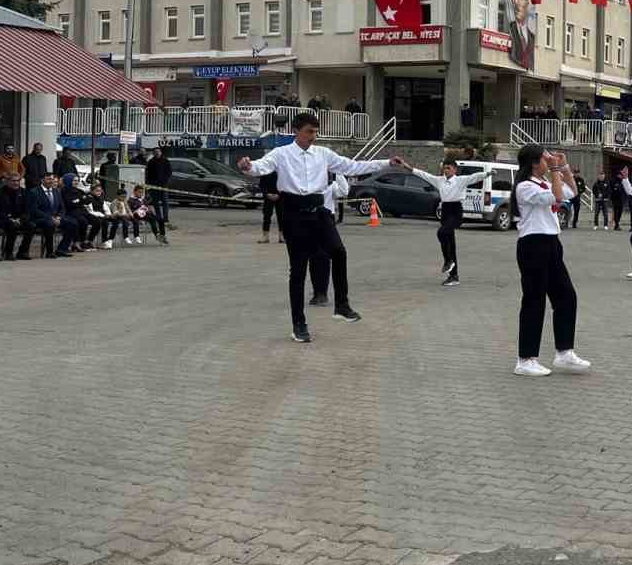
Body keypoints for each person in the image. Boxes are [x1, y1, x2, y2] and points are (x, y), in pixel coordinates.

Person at [238, 111, 402, 343]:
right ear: (296, 131)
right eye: (309, 132)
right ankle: (299, 325)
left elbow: (352, 166)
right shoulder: (281, 154)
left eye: (315, 132)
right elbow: (260, 167)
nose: (313, 136)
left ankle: (342, 306)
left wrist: (386, 162)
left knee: (339, 252)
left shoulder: (323, 154)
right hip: (293, 213)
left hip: (319, 211)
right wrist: (247, 166)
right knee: (298, 269)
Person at [510, 144, 587, 377]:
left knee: (566, 296)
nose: (549, 160)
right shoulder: (524, 187)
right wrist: (555, 170)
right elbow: (555, 196)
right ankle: (525, 359)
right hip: (533, 245)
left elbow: (572, 192)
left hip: (552, 244)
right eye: (545, 158)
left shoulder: (543, 182)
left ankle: (564, 352)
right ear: (534, 163)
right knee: (534, 301)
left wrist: (563, 167)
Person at [394, 156, 489, 286]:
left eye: (448, 168)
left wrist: (488, 173)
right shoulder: (439, 181)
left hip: (456, 211)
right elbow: (422, 174)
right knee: (450, 243)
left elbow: (475, 177)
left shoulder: (460, 180)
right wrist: (405, 165)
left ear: (455, 170)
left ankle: (448, 261)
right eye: (444, 168)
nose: (446, 170)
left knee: (441, 233)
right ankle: (454, 276)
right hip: (445, 210)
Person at [308, 173, 349, 306]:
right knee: (314, 257)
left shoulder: (331, 184)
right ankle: (318, 292)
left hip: (327, 218)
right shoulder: (310, 181)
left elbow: (344, 191)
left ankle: (322, 293)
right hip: (311, 218)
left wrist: (338, 173)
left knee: (325, 256)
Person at [25, 174, 75, 258]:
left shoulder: (56, 191)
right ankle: (49, 252)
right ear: (42, 180)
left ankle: (61, 249)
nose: (51, 181)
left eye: (52, 179)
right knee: (50, 224)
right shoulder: (34, 192)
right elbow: (34, 210)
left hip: (56, 218)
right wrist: (50, 218)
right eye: (48, 179)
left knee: (73, 224)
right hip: (40, 219)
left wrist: (59, 217)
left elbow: (62, 208)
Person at [0, 174, 28, 259]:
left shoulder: (24, 192)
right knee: (12, 226)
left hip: (18, 219)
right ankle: (8, 252)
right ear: (6, 181)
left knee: (31, 226)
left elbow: (27, 210)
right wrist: (9, 219)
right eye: (13, 181)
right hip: (2, 219)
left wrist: (20, 219)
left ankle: (22, 252)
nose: (16, 183)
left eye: (18, 181)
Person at [61, 174, 95, 251]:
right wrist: (81, 200)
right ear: (69, 181)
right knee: (83, 221)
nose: (76, 182)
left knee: (96, 221)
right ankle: (77, 242)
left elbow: (88, 200)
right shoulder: (64, 191)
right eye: (74, 180)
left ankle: (88, 241)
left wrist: (79, 200)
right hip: (71, 212)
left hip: (82, 211)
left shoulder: (79, 190)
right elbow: (70, 203)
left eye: (77, 180)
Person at [144, 149, 173, 227]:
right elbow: (148, 174)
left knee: (165, 202)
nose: (157, 153)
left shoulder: (165, 161)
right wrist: (149, 184)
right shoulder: (151, 162)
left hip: (163, 185)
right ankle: (159, 218)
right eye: (155, 152)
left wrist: (165, 181)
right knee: (155, 203)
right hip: (154, 185)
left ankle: (165, 218)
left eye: (158, 152)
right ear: (153, 153)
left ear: (161, 152)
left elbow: (169, 172)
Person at [84, 182, 113, 249]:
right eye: (97, 191)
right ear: (92, 191)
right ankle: (90, 240)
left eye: (100, 191)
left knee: (111, 221)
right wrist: (103, 215)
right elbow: (90, 211)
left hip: (102, 216)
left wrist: (109, 215)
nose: (99, 192)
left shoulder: (101, 199)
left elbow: (105, 208)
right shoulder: (89, 198)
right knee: (100, 222)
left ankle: (107, 240)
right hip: (92, 216)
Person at [257, 168, 281, 244]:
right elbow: (261, 185)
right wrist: (267, 194)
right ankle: (265, 236)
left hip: (280, 197)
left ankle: (282, 236)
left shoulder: (282, 170)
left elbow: (286, 184)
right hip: (268, 196)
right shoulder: (265, 171)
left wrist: (279, 194)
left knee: (282, 217)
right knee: (266, 216)